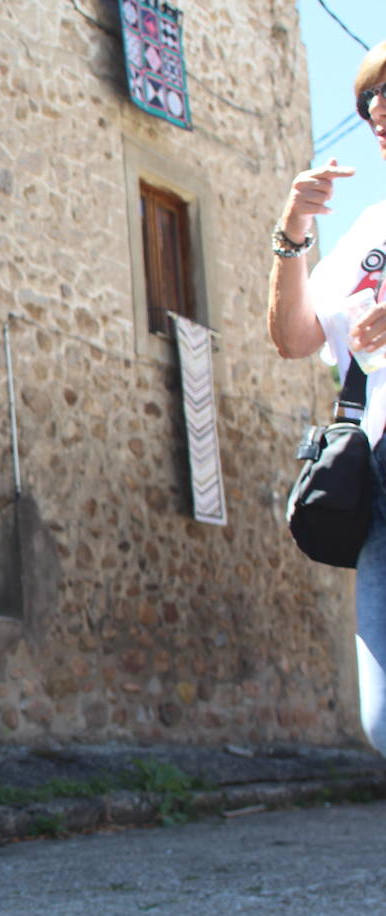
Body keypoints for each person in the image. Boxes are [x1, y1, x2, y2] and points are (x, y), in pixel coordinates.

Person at [268, 40, 386, 756]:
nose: (375, 112)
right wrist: (293, 230)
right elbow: (293, 336)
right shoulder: (372, 229)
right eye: (369, 104)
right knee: (382, 720)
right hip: (381, 474)